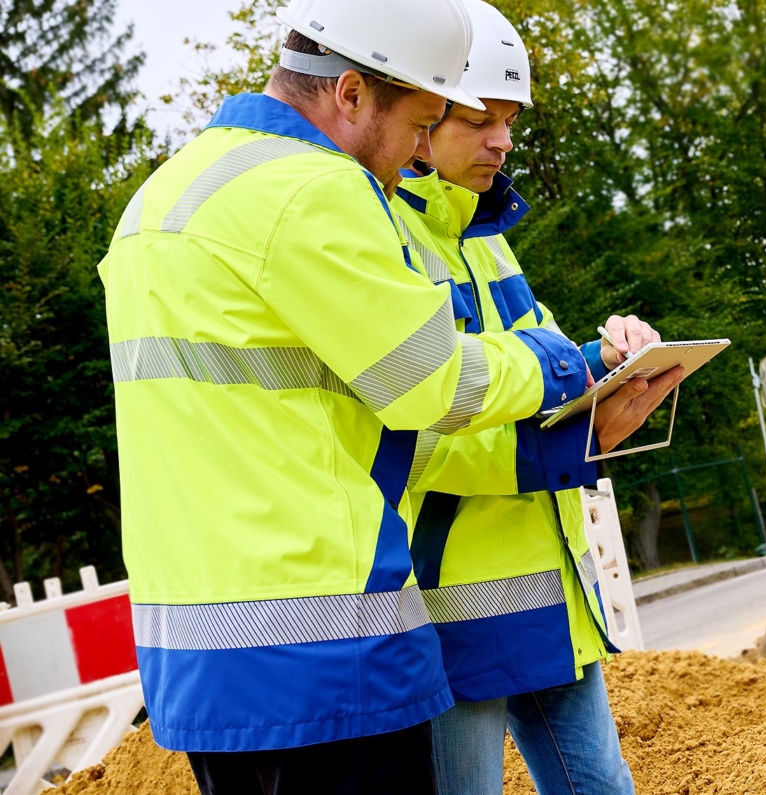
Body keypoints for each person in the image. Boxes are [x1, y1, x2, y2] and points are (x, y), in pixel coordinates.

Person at [99, 1, 661, 791]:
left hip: (202, 662)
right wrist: (564, 365)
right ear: (354, 95)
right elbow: (432, 380)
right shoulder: (315, 188)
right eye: (423, 122)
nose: (410, 159)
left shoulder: (161, 198)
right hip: (330, 651)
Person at [388, 3, 673, 792]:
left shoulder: (488, 236)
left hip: (550, 593)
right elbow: (417, 429)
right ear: (422, 116)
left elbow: (534, 364)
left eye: (509, 121)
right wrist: (564, 446)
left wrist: (603, 358)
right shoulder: (385, 240)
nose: (503, 141)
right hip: (452, 608)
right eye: (483, 119)